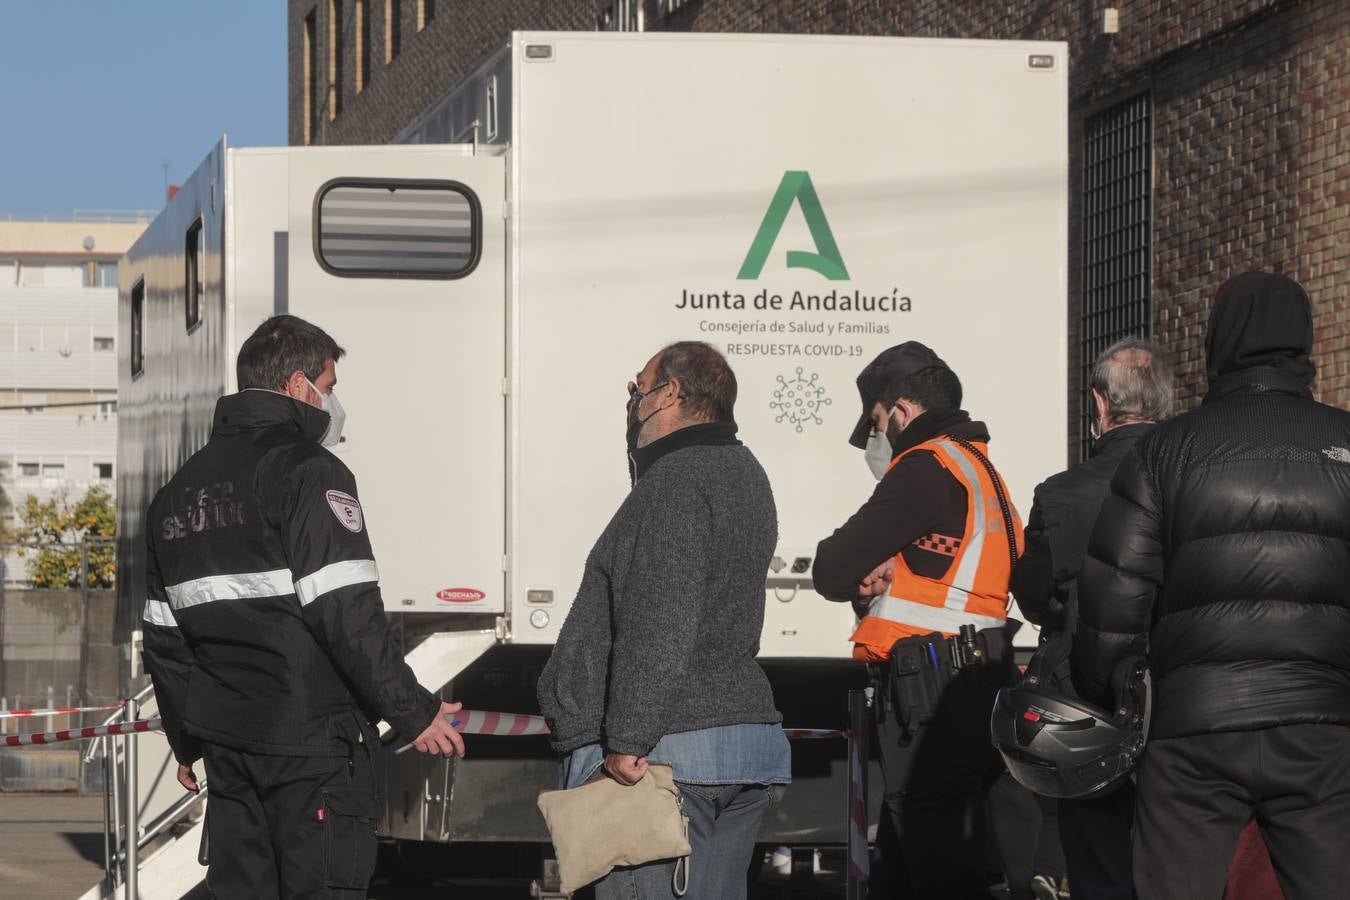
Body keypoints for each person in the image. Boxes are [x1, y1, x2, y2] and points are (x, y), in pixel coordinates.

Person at [141, 315, 465, 900]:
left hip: (229, 750)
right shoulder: (310, 472)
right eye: (329, 387)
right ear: (297, 386)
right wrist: (414, 711)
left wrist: (184, 739)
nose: (332, 403)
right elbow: (347, 615)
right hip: (312, 750)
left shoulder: (175, 494)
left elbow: (165, 638)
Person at [1073, 271, 1350, 900]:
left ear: (1218, 343)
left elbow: (1113, 603)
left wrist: (1117, 697)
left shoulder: (1166, 451)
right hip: (1324, 726)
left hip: (1191, 729)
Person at [537, 341, 790, 900]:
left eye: (638, 388)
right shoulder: (745, 471)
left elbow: (661, 617)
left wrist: (627, 738)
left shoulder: (676, 480)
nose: (630, 402)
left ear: (670, 393)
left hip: (665, 759)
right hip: (737, 745)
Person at [813, 341, 1023, 899]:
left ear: (901, 412)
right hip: (982, 687)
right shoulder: (985, 475)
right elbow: (951, 581)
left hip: (929, 698)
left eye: (877, 423)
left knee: (941, 874)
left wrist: (857, 579)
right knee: (906, 873)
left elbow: (832, 568)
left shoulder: (924, 467)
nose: (876, 441)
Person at [1011, 337, 1172, 900]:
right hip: (1180, 700)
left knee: (1098, 862)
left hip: (1088, 704)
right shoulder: (1194, 478)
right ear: (1166, 403)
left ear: (1100, 405)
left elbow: (1031, 593)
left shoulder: (1061, 494)